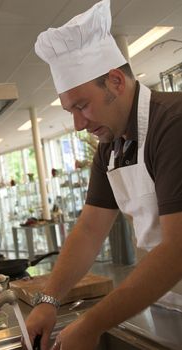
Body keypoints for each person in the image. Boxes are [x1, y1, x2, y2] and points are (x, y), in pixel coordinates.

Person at [25, 1, 182, 349]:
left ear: (115, 81)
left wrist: (92, 322)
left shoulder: (172, 124)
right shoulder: (111, 145)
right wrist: (49, 300)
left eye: (82, 106)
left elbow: (177, 249)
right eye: (71, 111)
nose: (79, 124)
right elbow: (90, 228)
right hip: (168, 304)